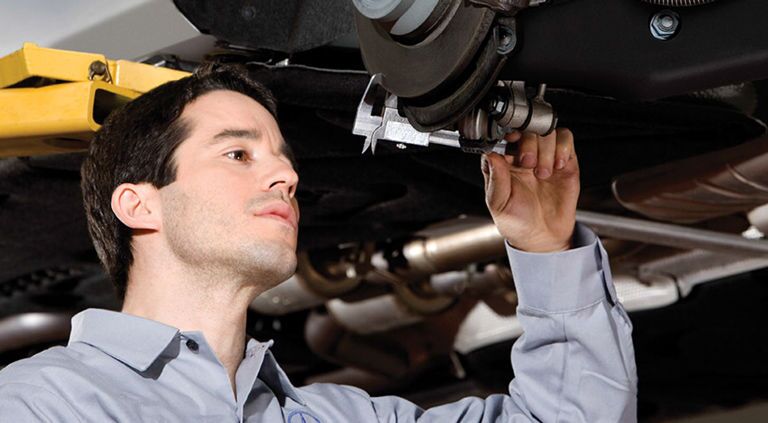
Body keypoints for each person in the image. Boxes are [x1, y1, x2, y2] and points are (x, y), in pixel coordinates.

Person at [0, 64, 637, 422]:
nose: (287, 175)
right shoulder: (43, 405)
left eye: (282, 158)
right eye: (238, 153)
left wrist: (546, 249)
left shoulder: (336, 417)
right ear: (140, 204)